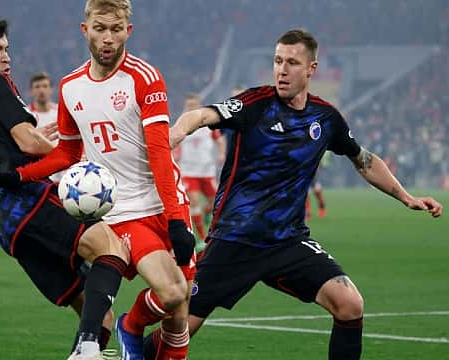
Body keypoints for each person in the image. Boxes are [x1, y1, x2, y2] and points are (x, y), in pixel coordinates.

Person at [164, 29, 443, 359]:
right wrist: (177, 132)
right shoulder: (254, 103)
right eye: (278, 61)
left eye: (292, 62)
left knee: (349, 304)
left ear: (311, 69)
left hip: (287, 241)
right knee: (178, 334)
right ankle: (136, 352)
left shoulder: (325, 118)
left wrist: (405, 196)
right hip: (236, 240)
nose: (282, 69)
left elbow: (363, 160)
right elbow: (202, 115)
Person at [10, 1, 196, 359]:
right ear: (85, 30)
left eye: (116, 29)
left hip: (168, 200)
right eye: (100, 29)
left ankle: (138, 336)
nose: (108, 38)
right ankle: (130, 326)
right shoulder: (70, 87)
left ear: (129, 30)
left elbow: (159, 152)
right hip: (124, 211)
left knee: (180, 316)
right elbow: (66, 154)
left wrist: (175, 219)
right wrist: (17, 175)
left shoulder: (145, 77)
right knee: (173, 294)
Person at [0, 16, 130, 360]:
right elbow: (29, 142)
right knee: (112, 248)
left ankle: (86, 349)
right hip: (29, 203)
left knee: (97, 312)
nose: (6, 58)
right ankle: (90, 346)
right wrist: (84, 158)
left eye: (7, 49)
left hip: (8, 230)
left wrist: (29, 144)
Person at [174, 93, 226, 241]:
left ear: (198, 104)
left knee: (214, 202)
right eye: (188, 105)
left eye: (193, 105)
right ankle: (203, 239)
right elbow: (173, 141)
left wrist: (221, 154)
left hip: (206, 170)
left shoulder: (208, 124)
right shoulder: (181, 124)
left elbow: (220, 139)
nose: (191, 107)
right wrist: (175, 153)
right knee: (194, 201)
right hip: (189, 170)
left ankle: (205, 216)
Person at [29, 72, 63, 182]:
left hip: (64, 169)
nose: (41, 90)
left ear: (51, 89)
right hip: (43, 171)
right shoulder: (27, 116)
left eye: (45, 86)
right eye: (37, 87)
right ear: (31, 91)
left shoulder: (61, 112)